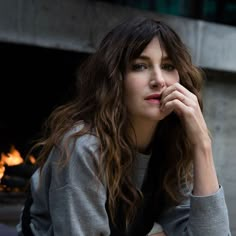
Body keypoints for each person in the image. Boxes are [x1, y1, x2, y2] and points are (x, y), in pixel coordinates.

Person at [17, 16, 231, 236]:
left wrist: (202, 144)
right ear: (115, 78)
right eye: (140, 66)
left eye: (168, 66)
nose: (159, 80)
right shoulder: (84, 146)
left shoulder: (169, 146)